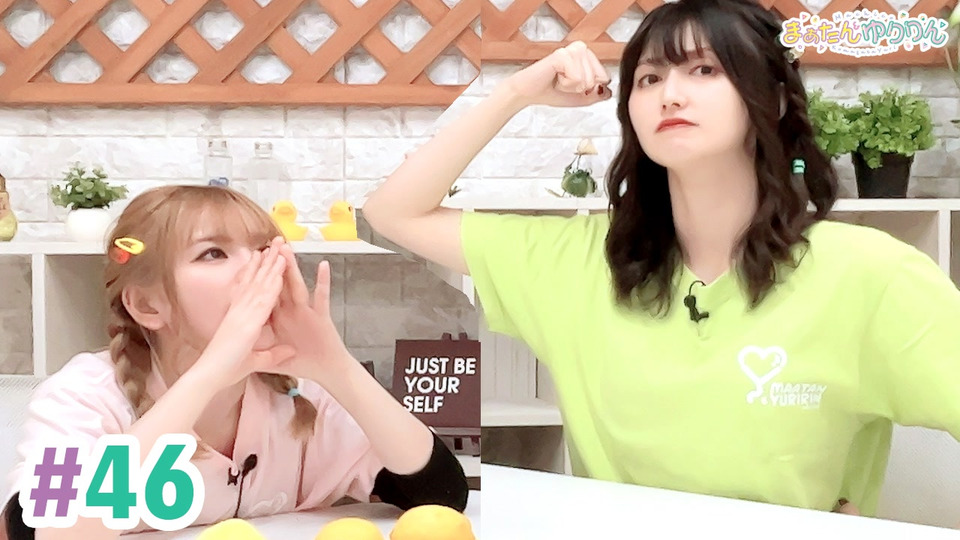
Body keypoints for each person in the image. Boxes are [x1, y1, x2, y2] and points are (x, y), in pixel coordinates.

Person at [362, 0, 959, 520]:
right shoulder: (580, 261)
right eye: (648, 78)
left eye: (704, 69)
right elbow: (394, 213)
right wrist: (514, 94)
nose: (670, 93)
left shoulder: (874, 275)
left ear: (773, 99)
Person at [1, 185, 468, 539]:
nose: (262, 267)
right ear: (147, 305)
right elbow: (39, 528)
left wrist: (337, 367)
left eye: (265, 249)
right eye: (213, 252)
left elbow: (438, 494)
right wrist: (208, 375)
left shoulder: (300, 394)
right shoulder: (83, 394)